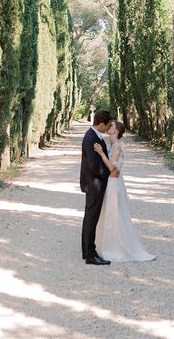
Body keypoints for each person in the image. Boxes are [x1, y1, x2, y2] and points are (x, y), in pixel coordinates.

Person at [94, 120, 155, 262]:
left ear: (117, 131)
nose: (109, 126)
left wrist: (102, 154)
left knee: (114, 213)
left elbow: (112, 168)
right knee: (111, 213)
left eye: (112, 126)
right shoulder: (112, 144)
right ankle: (108, 243)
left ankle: (116, 247)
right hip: (113, 181)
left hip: (114, 183)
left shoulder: (116, 147)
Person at [80, 108, 114, 265]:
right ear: (101, 124)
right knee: (91, 219)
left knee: (89, 218)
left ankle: (87, 251)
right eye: (107, 125)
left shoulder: (94, 135)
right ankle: (90, 254)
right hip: (95, 185)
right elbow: (94, 166)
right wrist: (108, 173)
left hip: (93, 184)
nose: (108, 129)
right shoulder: (91, 137)